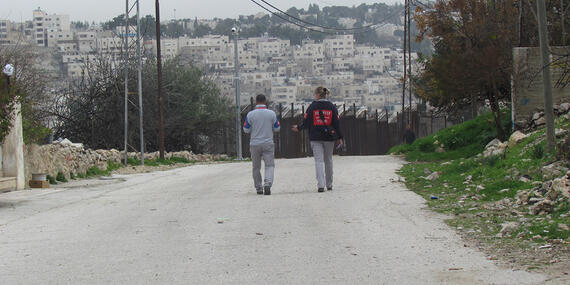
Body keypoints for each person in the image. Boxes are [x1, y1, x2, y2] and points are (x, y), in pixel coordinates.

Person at [292, 87, 343, 193]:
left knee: (318, 161)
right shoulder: (331, 107)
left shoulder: (312, 107)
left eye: (315, 94)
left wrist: (299, 128)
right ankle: (329, 184)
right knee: (328, 160)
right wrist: (340, 137)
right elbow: (337, 124)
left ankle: (320, 185)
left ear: (318, 95)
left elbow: (306, 122)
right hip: (329, 137)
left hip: (315, 137)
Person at [243, 94, 281, 195]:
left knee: (256, 167)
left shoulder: (250, 114)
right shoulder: (271, 114)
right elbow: (277, 128)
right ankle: (267, 184)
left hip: (254, 143)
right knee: (269, 165)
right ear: (265, 101)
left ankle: (259, 188)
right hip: (268, 143)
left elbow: (246, 129)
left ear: (256, 102)